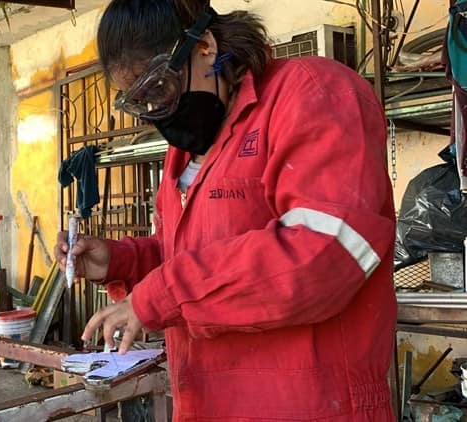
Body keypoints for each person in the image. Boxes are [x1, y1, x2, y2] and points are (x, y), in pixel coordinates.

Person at [55, 0, 396, 420]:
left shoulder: (313, 93)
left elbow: (321, 256)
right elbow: (189, 255)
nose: (157, 112)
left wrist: (162, 296)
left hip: (306, 407)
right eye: (140, 102)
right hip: (207, 403)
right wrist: (122, 260)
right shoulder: (184, 154)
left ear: (205, 47)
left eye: (159, 88)